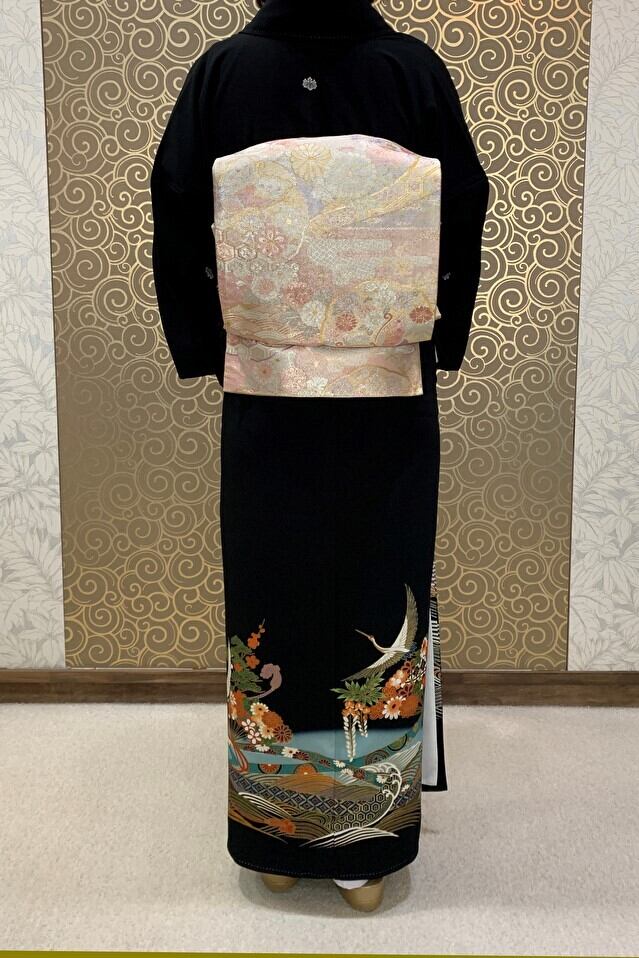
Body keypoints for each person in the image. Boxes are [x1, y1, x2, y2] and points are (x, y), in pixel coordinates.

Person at [150, 0, 489, 912]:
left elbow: (176, 200)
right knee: (379, 586)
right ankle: (361, 854)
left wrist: (206, 342)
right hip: (387, 383)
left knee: (273, 591)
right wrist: (435, 334)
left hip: (267, 384)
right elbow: (463, 202)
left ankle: (278, 839)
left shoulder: (225, 71)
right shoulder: (410, 70)